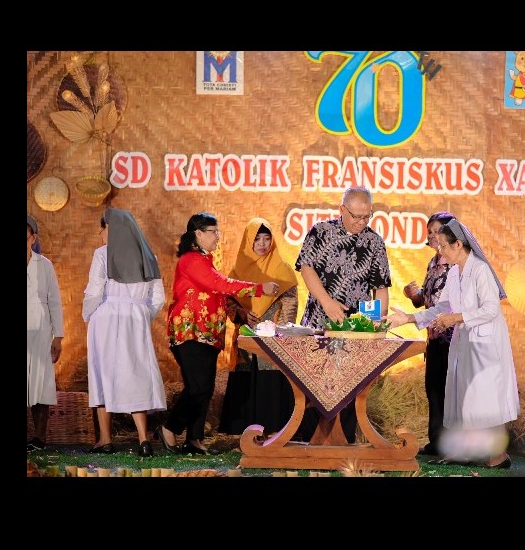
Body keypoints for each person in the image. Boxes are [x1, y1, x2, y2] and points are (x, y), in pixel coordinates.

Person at [383, 218, 518, 468]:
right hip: (465, 341)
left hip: (485, 345)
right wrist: (408, 318)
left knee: (487, 397)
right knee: (463, 395)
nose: (440, 251)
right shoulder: (455, 272)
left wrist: (455, 318)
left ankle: (499, 456)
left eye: (443, 246)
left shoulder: (480, 270)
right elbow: (442, 306)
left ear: (458, 244)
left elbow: (490, 309)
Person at [158, 213, 280, 455]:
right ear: (198, 234)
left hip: (207, 333)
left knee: (205, 388)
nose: (217, 237)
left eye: (217, 231)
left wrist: (240, 313)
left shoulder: (205, 260)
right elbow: (221, 284)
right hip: (190, 331)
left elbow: (219, 294)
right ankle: (169, 428)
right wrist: (258, 288)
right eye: (213, 232)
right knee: (198, 387)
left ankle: (194, 440)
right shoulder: (191, 260)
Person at [294, 186, 392, 443]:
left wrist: (375, 325)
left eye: (366, 217)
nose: (361, 222)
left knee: (349, 387)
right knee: (314, 384)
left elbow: (381, 288)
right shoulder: (320, 232)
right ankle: (311, 442)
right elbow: (306, 268)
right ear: (342, 210)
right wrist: (327, 302)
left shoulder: (374, 242)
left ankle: (343, 443)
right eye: (356, 216)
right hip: (319, 321)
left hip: (355, 328)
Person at [82, 207, 167, 457]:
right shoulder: (148, 256)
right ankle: (143, 439)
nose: (100, 234)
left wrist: (89, 315)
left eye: (103, 228)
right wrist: (141, 314)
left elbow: (94, 291)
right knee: (136, 373)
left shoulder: (102, 254)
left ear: (112, 228)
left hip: (106, 318)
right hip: (136, 320)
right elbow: (158, 298)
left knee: (102, 373)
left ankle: (105, 440)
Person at [218, 218, 299, 437]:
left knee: (270, 376)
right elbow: (228, 300)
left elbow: (290, 302)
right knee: (245, 373)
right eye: (257, 239)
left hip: (273, 334)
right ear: (248, 242)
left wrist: (280, 329)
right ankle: (243, 430)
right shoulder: (237, 271)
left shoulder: (282, 269)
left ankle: (273, 429)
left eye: (266, 239)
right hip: (246, 331)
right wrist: (242, 313)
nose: (262, 244)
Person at [402, 211, 455, 456]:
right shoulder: (433, 263)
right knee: (433, 389)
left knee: (449, 391)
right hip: (433, 337)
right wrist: (414, 295)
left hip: (451, 337)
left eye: (437, 231)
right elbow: (428, 300)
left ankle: (452, 445)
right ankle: (436, 442)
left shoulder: (456, 264)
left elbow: (450, 304)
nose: (432, 236)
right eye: (429, 232)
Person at [27, 214, 64, 452]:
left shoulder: (44, 265)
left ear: (33, 238)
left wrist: (58, 336)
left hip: (40, 331)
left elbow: (55, 302)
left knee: (40, 382)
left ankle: (39, 437)